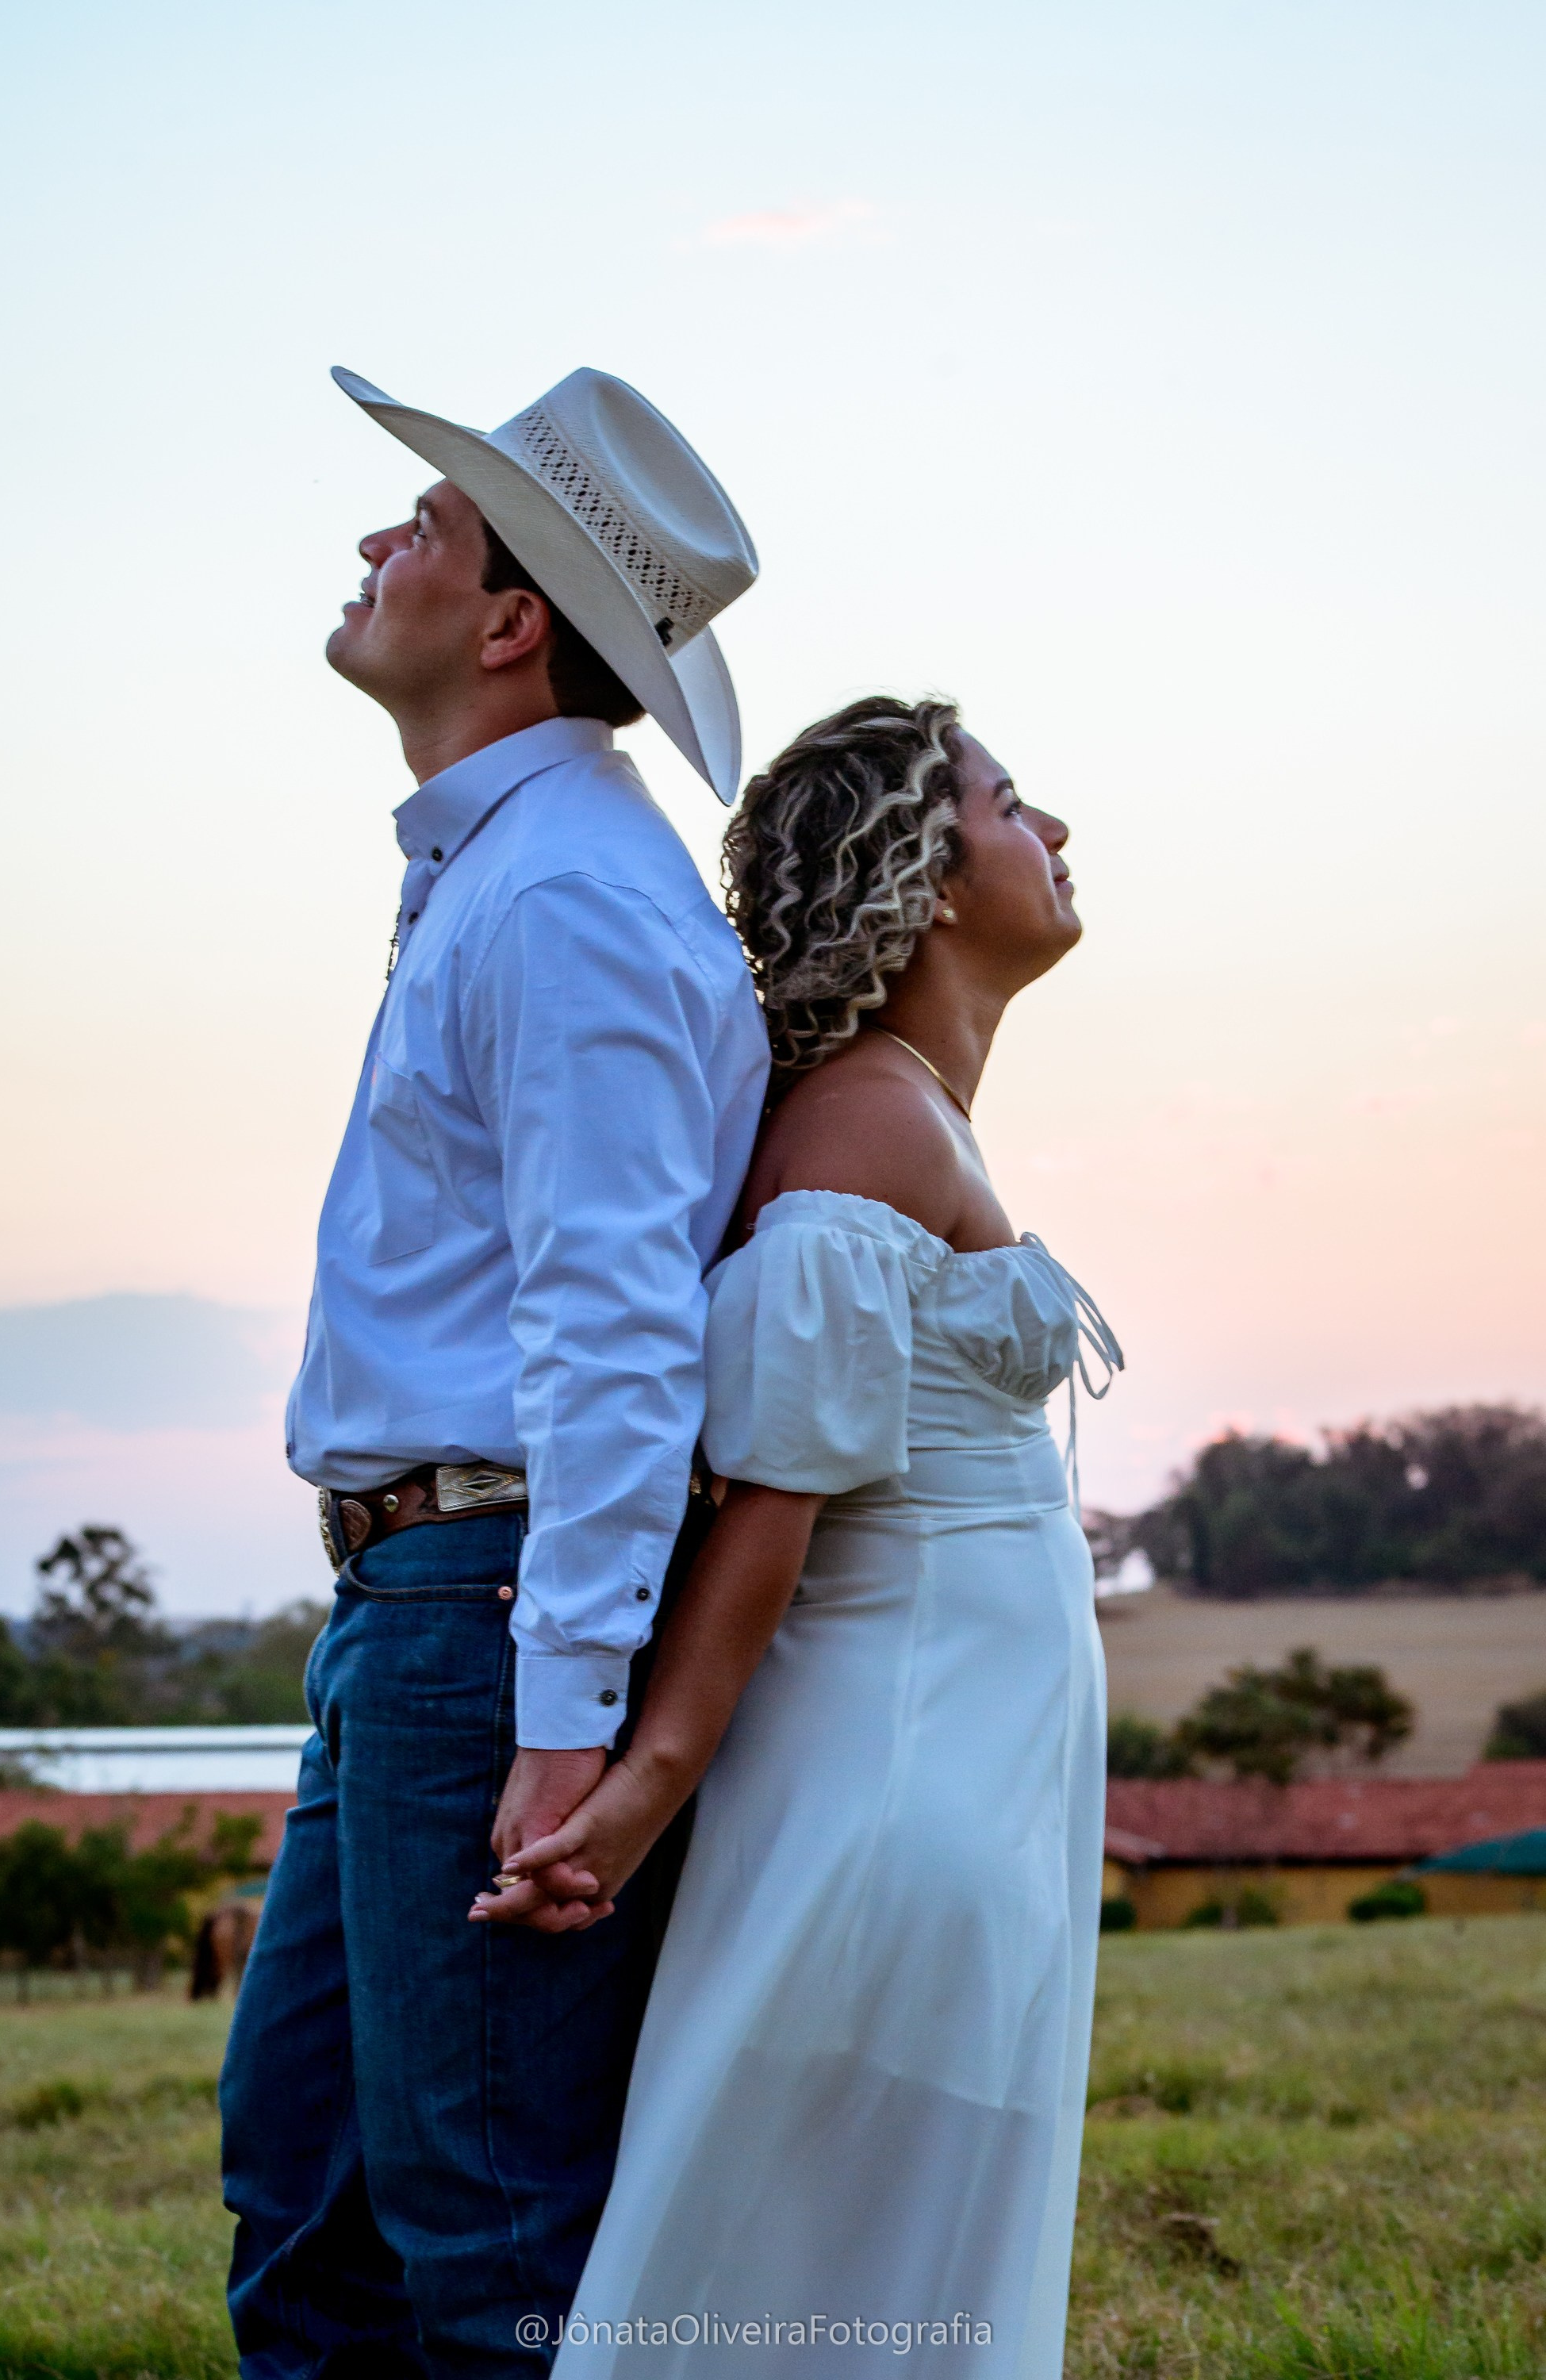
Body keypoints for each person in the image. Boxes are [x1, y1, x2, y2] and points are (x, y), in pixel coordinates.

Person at [218, 365, 769, 2376]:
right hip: (407, 1609)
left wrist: (563, 1714)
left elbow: (615, 1327)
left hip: (483, 1615)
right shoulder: (507, 873)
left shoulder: (565, 901)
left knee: (488, 2240)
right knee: (309, 2190)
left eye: (425, 527)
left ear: (513, 619)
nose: (379, 544)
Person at [485, 697, 1123, 2377]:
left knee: (890, 2274)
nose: (1053, 830)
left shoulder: (911, 1110)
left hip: (970, 1774)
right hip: (891, 1787)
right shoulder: (862, 1120)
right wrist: (641, 1787)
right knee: (824, 2277)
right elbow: (771, 1502)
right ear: (916, 871)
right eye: (1008, 801)